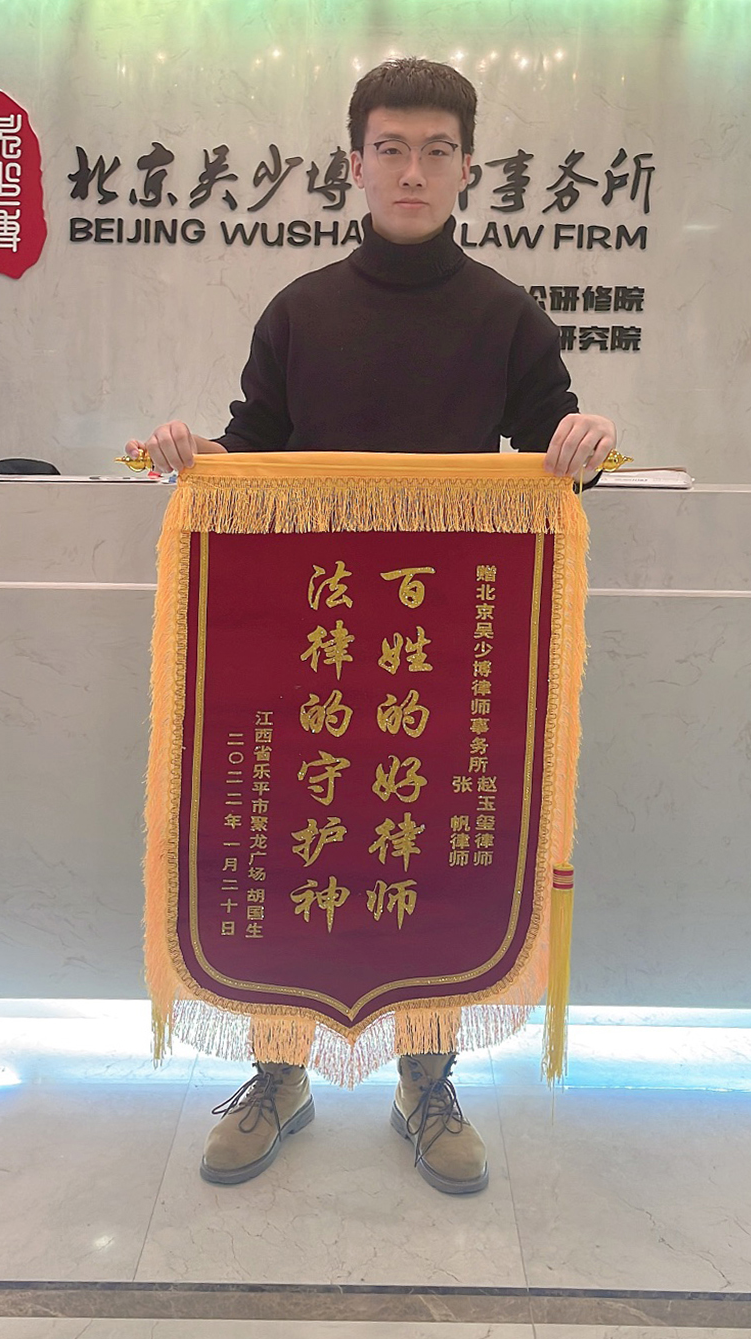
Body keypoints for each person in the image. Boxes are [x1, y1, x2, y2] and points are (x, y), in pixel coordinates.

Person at [127, 57, 616, 1195]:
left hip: (444, 650)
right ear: (354, 163)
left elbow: (553, 449)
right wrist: (191, 457)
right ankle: (278, 1072)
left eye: (436, 151)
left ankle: (425, 1079)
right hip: (309, 641)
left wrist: (584, 442)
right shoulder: (299, 311)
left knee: (432, 846)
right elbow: (253, 453)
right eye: (390, 148)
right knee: (293, 841)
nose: (412, 170)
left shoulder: (508, 315)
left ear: (467, 168)